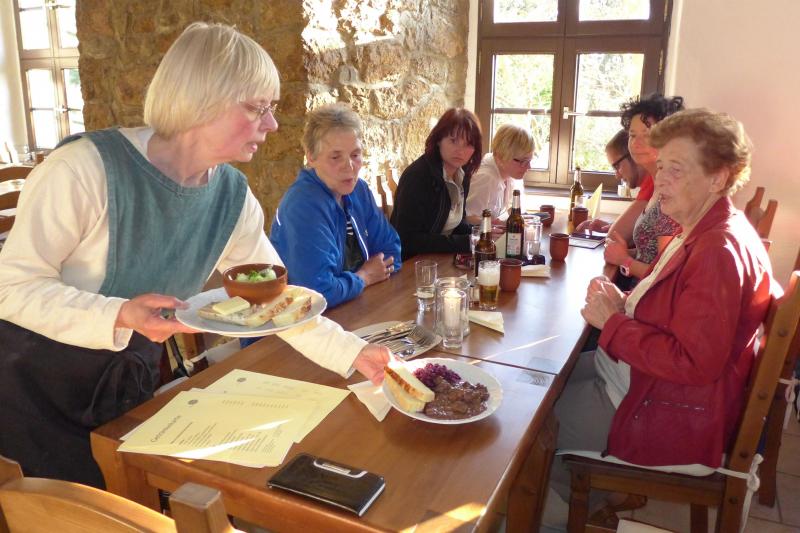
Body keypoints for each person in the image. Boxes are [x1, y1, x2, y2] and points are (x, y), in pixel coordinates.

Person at [0, 22, 390, 488]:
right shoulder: (83, 170)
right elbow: (11, 288)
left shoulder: (231, 197)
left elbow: (275, 300)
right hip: (35, 388)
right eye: (258, 108)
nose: (272, 125)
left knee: (130, 502)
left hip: (125, 386)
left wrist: (356, 353)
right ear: (202, 100)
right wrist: (119, 314)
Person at [547, 108, 779, 528]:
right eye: (661, 166)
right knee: (543, 379)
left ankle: (556, 512)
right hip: (644, 383)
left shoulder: (717, 252)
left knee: (528, 425)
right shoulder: (704, 226)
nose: (661, 179)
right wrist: (622, 303)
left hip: (664, 407)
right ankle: (593, 496)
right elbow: (677, 311)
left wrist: (613, 324)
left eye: (676, 169)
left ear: (718, 177)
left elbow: (694, 362)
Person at [270, 103, 401, 308]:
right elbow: (317, 292)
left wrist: (356, 283)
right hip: (303, 320)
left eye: (355, 155)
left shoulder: (359, 190)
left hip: (356, 305)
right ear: (311, 157)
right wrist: (365, 277)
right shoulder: (302, 206)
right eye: (335, 157)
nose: (349, 166)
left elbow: (391, 251)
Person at [390, 108, 482, 260]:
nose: (460, 151)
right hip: (410, 262)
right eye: (453, 141)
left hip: (439, 258)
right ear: (439, 140)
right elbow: (407, 239)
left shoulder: (462, 173)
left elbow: (455, 223)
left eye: (468, 144)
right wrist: (466, 242)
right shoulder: (418, 177)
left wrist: (482, 234)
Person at [465, 123, 537, 225]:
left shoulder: (511, 174)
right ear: (500, 157)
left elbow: (511, 209)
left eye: (529, 160)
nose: (529, 167)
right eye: (523, 161)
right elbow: (467, 218)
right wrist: (495, 224)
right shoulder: (485, 178)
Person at [576, 129, 642, 234]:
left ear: (634, 155)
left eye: (617, 166)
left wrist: (613, 228)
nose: (617, 176)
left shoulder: (653, 187)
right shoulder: (647, 189)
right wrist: (610, 226)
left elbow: (618, 234)